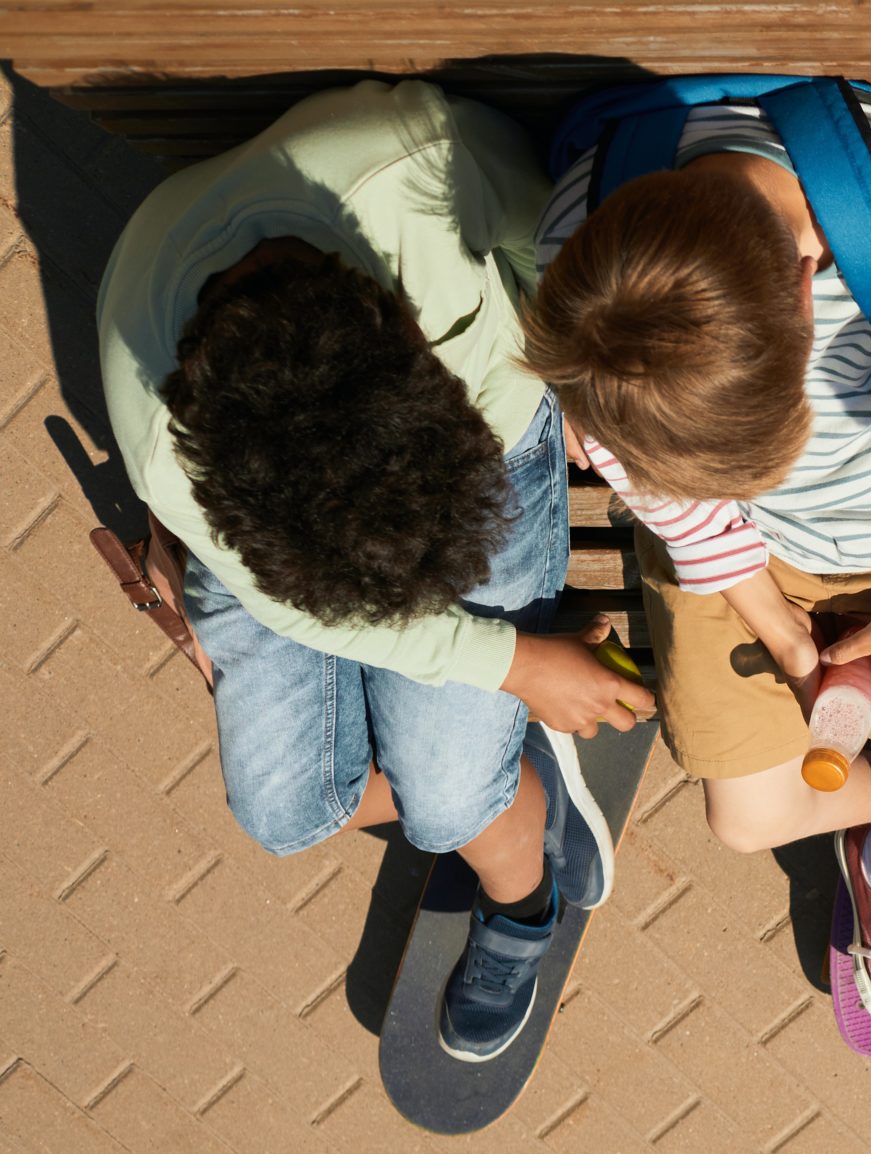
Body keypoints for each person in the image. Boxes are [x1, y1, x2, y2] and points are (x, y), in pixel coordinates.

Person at [95, 80, 646, 1065]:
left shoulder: (412, 170)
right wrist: (509, 664)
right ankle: (503, 757)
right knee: (285, 815)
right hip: (283, 524)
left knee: (447, 803)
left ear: (411, 334)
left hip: (491, 448)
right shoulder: (169, 455)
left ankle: (522, 902)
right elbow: (301, 612)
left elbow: (555, 253)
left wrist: (583, 389)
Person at [521, 88, 871, 1035]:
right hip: (738, 559)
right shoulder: (588, 275)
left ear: (806, 285)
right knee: (745, 823)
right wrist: (787, 641)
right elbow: (658, 483)